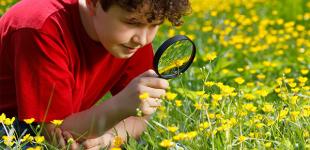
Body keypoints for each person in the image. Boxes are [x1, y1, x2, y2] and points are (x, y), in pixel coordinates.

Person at [0, 0, 190, 149]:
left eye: (154, 25)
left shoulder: (131, 39)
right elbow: (53, 137)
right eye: (131, 22)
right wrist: (120, 106)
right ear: (93, 4)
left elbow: (140, 115)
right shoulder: (41, 28)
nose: (142, 39)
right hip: (12, 126)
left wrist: (111, 137)